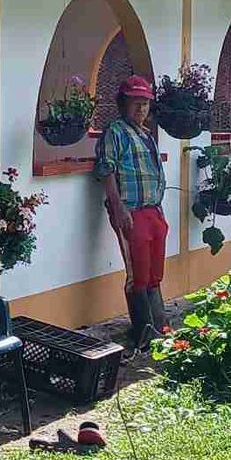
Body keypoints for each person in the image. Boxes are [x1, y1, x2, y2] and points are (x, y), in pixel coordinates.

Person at [94, 75, 168, 351]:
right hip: (130, 211)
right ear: (123, 104)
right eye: (135, 102)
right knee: (138, 273)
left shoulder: (146, 134)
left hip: (153, 210)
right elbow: (106, 169)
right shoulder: (115, 132)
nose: (141, 108)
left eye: (145, 103)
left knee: (155, 271)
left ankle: (161, 328)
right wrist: (118, 207)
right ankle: (144, 334)